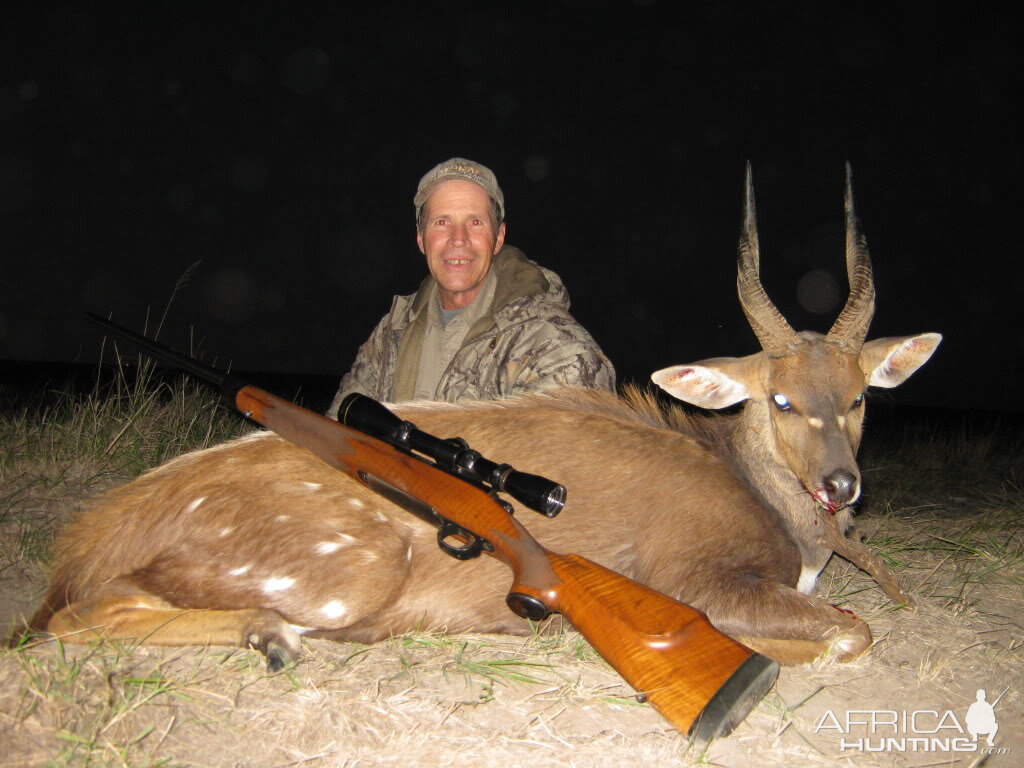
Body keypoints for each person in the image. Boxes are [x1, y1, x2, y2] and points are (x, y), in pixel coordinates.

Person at [327, 157, 614, 418]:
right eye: (442, 222)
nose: (458, 238)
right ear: (421, 238)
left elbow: (571, 464)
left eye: (474, 222)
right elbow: (338, 433)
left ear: (498, 237)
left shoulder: (552, 345)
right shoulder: (390, 334)